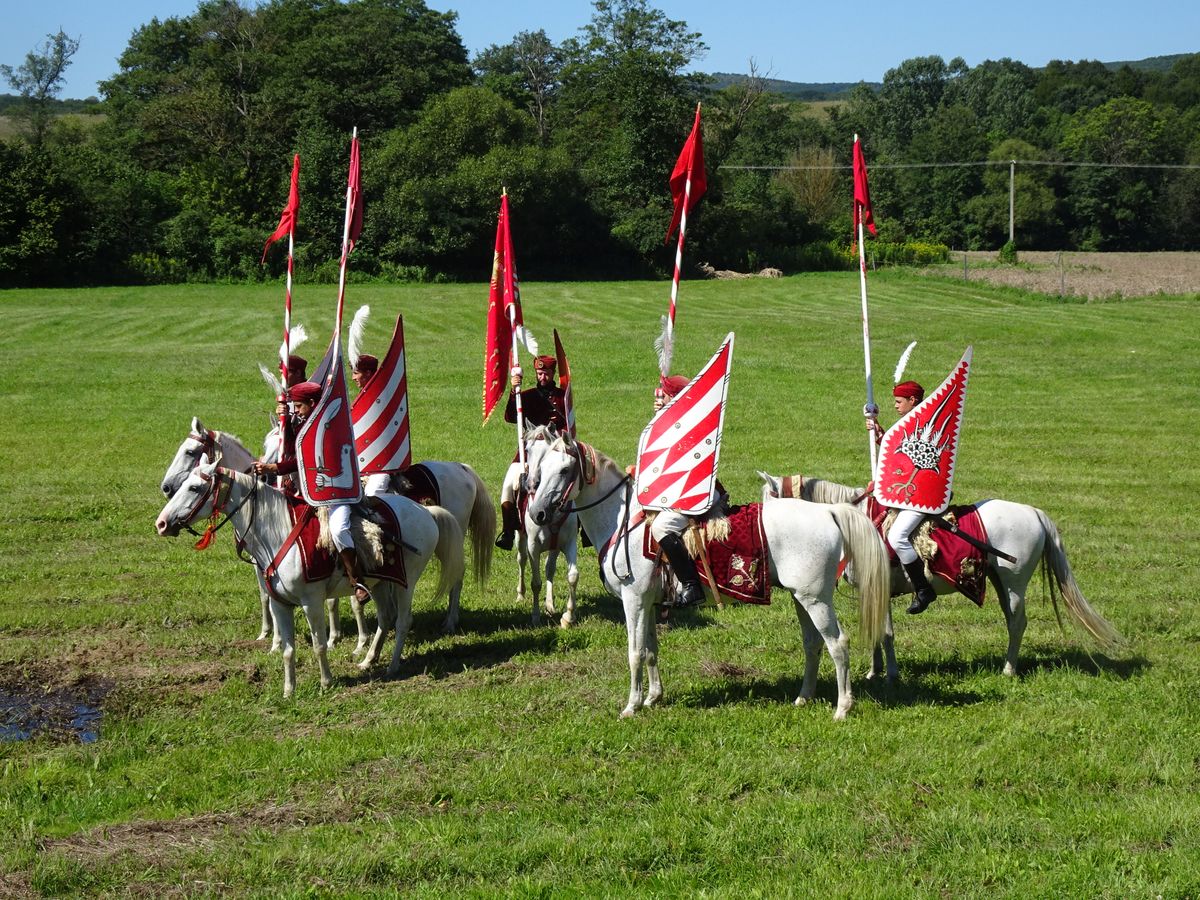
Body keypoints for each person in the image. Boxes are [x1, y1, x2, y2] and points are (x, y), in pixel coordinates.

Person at [254, 381, 372, 603]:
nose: (296, 410)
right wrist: (285, 419)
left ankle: (358, 580)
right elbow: (291, 446)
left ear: (312, 403)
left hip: (336, 492)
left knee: (338, 529)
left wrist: (274, 468)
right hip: (309, 492)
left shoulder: (330, 427)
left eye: (299, 406)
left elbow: (305, 459)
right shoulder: (305, 423)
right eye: (294, 406)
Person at [867, 379, 938, 614]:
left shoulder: (926, 425)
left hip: (922, 494)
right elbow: (900, 454)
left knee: (897, 536)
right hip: (906, 491)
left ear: (912, 400)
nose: (896, 406)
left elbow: (915, 462)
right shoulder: (910, 423)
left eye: (899, 401)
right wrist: (879, 433)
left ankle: (923, 589)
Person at [494, 355, 568, 551]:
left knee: (576, 480)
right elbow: (510, 416)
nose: (542, 377)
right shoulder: (526, 395)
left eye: (546, 373)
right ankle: (508, 531)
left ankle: (583, 529)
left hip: (554, 454)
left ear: (552, 374)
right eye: (539, 373)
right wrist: (514, 390)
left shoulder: (562, 397)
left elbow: (568, 425)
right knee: (508, 486)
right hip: (529, 454)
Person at [648, 374, 707, 607]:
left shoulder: (688, 423)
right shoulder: (675, 419)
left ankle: (692, 586)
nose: (660, 397)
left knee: (662, 526)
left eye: (665, 394)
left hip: (694, 491)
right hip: (675, 489)